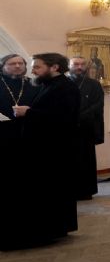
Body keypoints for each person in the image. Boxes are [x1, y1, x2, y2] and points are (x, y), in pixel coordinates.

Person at [6, 53, 81, 249]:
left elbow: (62, 119)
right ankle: (52, 229)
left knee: (46, 192)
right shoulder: (49, 85)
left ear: (54, 67)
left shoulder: (66, 88)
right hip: (42, 148)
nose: (32, 71)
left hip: (53, 150)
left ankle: (44, 232)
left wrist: (28, 112)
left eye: (37, 67)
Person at [69, 55, 106, 200]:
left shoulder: (94, 84)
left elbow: (98, 104)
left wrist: (81, 116)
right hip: (67, 129)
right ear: (69, 66)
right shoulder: (64, 83)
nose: (79, 67)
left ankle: (86, 191)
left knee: (86, 160)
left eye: (82, 64)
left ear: (86, 67)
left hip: (86, 129)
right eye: (76, 64)